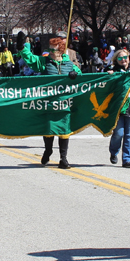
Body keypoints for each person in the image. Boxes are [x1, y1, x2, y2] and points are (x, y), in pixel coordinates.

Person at [17, 31, 81, 169]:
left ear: (61, 50)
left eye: (53, 49)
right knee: (49, 129)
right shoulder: (45, 62)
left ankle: (63, 158)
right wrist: (22, 48)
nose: (50, 51)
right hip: (48, 103)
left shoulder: (69, 64)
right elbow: (31, 59)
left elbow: (83, 78)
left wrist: (76, 74)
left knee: (64, 131)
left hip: (64, 103)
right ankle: (48, 150)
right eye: (50, 49)